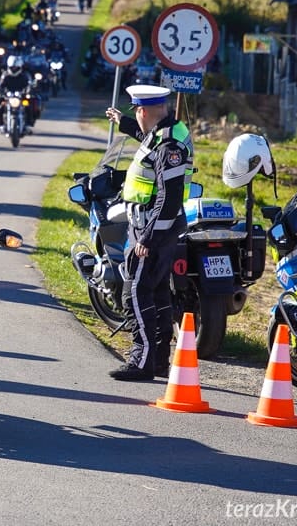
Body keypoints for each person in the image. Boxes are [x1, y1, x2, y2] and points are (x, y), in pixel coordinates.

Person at [105, 85, 194, 381]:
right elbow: (147, 138)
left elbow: (169, 197)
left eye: (136, 113)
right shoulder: (167, 133)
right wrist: (123, 122)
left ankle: (141, 362)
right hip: (157, 227)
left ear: (144, 111)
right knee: (156, 293)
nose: (138, 118)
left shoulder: (169, 146)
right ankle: (156, 361)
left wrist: (147, 239)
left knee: (136, 293)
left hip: (153, 228)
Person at [0, 55, 34, 132]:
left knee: (28, 106)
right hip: (8, 97)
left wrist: (28, 92)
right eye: (12, 67)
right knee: (0, 107)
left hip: (21, 96)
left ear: (19, 67)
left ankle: (28, 124)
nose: (13, 69)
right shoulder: (5, 75)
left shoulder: (24, 76)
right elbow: (0, 86)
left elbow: (28, 85)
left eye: (15, 67)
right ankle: (1, 124)